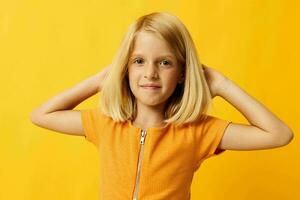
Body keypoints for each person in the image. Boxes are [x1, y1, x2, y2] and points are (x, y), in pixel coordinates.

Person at [30, 12, 294, 200]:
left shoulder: (198, 131)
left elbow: (279, 134)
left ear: (182, 72)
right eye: (139, 61)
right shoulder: (106, 123)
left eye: (165, 62)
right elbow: (41, 115)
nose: (150, 73)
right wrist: (99, 80)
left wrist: (223, 85)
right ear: (124, 68)